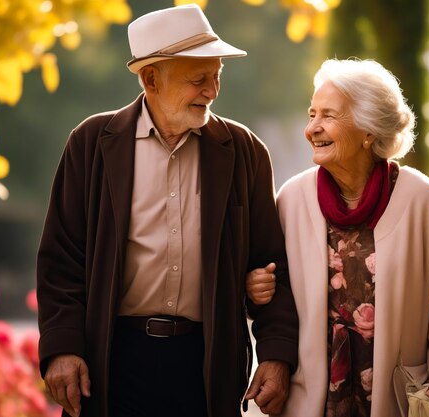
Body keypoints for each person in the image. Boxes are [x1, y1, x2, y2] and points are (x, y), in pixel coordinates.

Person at [36, 5, 298, 417]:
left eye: (216, 77)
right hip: (113, 360)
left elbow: (272, 266)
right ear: (151, 78)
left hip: (207, 363)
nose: (212, 91)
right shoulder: (90, 143)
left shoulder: (245, 151)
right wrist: (62, 348)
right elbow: (60, 261)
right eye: (199, 79)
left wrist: (276, 354)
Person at [247, 58, 429, 417]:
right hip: (312, 404)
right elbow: (276, 288)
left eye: (328, 115)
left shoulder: (424, 201)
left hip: (402, 401)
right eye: (311, 114)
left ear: (369, 130)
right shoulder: (291, 201)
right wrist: (254, 284)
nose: (312, 128)